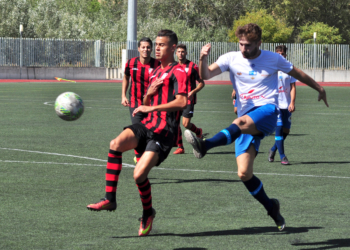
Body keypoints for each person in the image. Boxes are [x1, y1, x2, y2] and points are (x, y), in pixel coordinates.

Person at [184, 23, 328, 231]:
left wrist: (320, 87)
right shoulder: (231, 58)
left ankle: (205, 146)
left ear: (259, 43)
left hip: (268, 111)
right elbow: (205, 75)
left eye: (249, 45)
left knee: (238, 123)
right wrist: (202, 59)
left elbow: (297, 73)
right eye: (241, 44)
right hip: (246, 119)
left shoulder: (273, 58)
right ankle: (272, 208)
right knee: (244, 173)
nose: (244, 49)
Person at [87, 30, 188, 237]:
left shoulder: (179, 72)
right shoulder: (156, 72)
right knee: (115, 143)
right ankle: (110, 199)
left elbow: (182, 101)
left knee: (139, 174)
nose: (156, 48)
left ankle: (147, 213)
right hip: (147, 124)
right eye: (156, 44)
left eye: (161, 45)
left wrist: (150, 108)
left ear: (172, 48)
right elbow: (146, 105)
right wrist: (148, 97)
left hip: (164, 133)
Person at [121, 37, 161, 162]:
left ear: (151, 49)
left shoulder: (157, 65)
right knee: (137, 131)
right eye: (143, 47)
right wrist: (123, 95)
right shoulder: (131, 63)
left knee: (151, 131)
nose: (146, 49)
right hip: (135, 102)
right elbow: (126, 78)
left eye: (148, 47)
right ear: (139, 49)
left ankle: (147, 154)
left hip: (152, 104)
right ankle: (139, 159)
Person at [173, 44, 205, 154]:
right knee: (175, 123)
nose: (181, 53)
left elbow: (201, 83)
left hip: (188, 100)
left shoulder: (193, 66)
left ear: (186, 53)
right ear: (176, 53)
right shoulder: (173, 66)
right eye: (179, 51)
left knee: (185, 124)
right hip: (175, 99)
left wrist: (193, 91)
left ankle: (198, 131)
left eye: (183, 51)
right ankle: (180, 147)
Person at [268, 45, 296, 165]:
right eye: (277, 53)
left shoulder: (289, 67)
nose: (280, 56)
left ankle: (273, 149)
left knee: (286, 131)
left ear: (285, 55)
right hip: (275, 104)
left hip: (287, 105)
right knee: (279, 130)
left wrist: (292, 102)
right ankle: (283, 156)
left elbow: (293, 87)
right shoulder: (270, 67)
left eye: (282, 54)